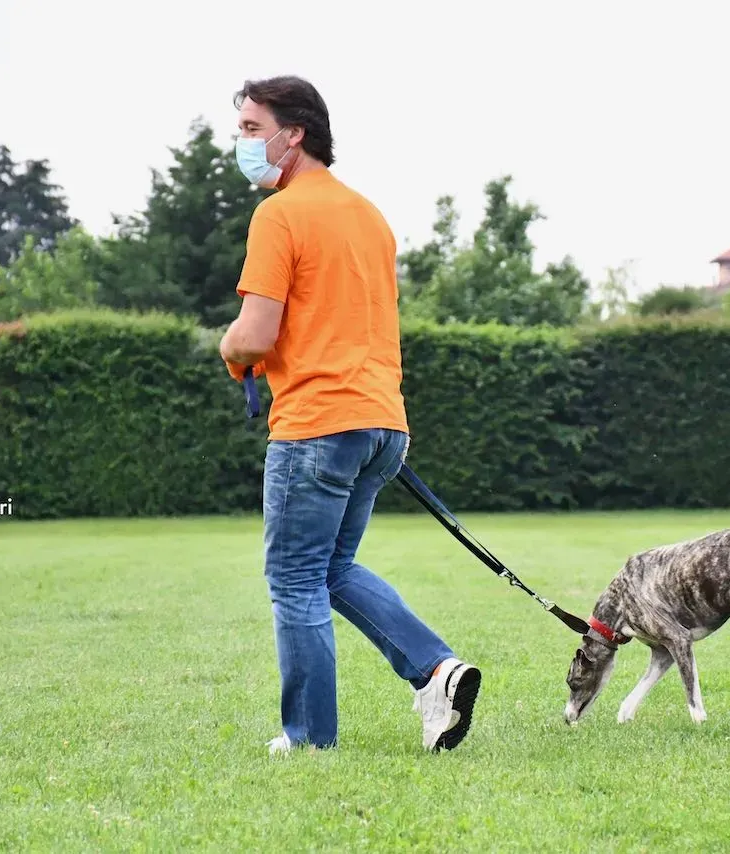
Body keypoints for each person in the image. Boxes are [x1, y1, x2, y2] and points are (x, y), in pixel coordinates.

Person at [218, 75, 480, 756]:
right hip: (382, 423)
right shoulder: (368, 215)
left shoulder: (279, 214)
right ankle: (437, 671)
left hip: (316, 424)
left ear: (293, 134)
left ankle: (308, 740)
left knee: (296, 578)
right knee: (331, 568)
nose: (242, 143)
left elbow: (253, 334)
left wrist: (230, 350)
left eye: (251, 129)